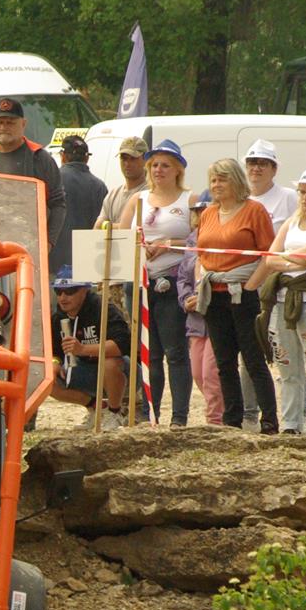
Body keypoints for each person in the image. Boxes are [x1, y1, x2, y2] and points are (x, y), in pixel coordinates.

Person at [247, 164, 306, 438]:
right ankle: (291, 424)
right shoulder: (291, 221)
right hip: (282, 297)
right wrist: (294, 262)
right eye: (302, 192)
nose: (305, 198)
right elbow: (271, 258)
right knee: (287, 364)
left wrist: (288, 261)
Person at [194, 157, 278, 432]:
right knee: (224, 360)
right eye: (213, 180)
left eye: (222, 179)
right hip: (214, 293)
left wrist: (251, 285)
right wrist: (200, 281)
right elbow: (200, 253)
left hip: (242, 292)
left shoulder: (255, 211)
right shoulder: (207, 213)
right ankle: (232, 419)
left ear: (236, 181)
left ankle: (268, 419)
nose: (217, 185)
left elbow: (268, 253)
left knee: (253, 358)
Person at [118, 138, 193, 426]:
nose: (159, 170)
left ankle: (179, 416)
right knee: (149, 352)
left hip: (171, 279)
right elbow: (121, 236)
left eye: (165, 165)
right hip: (140, 282)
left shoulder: (189, 200)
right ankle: (152, 413)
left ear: (177, 170)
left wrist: (170, 243)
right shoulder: (137, 200)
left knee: (175, 351)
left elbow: (200, 241)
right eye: (155, 165)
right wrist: (137, 245)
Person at [0, 97, 67, 277]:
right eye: (0, 122)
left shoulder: (40, 158)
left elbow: (58, 204)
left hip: (25, 252)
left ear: (23, 124)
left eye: (10, 122)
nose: (4, 127)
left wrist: (48, 243)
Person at [47, 265, 128, 418]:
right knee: (46, 378)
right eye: (58, 291)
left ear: (84, 290)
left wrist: (83, 349)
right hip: (82, 369)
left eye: (70, 291)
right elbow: (54, 350)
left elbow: (122, 345)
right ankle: (96, 408)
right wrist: (55, 362)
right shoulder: (58, 317)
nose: (63, 297)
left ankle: (115, 413)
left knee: (110, 363)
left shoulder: (104, 309)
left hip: (122, 373)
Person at [175, 194, 224, 425]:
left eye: (206, 210)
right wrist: (186, 299)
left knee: (211, 373)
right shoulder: (191, 241)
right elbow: (182, 277)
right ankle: (222, 410)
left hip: (216, 315)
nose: (201, 215)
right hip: (195, 319)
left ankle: (215, 421)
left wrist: (207, 298)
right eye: (197, 211)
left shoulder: (222, 238)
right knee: (197, 373)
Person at [58, 135, 106, 269]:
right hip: (87, 266)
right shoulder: (100, 187)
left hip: (54, 265)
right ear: (87, 158)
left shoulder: (52, 181)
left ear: (63, 156)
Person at [243, 139, 297, 230]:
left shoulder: (289, 197)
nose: (256, 168)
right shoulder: (239, 198)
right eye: (252, 163)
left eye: (262, 164)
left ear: (274, 170)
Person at [99, 136, 148, 229]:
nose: (127, 163)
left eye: (133, 158)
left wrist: (107, 226)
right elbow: (97, 227)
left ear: (145, 159)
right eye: (124, 158)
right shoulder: (113, 194)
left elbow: (143, 229)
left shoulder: (150, 193)